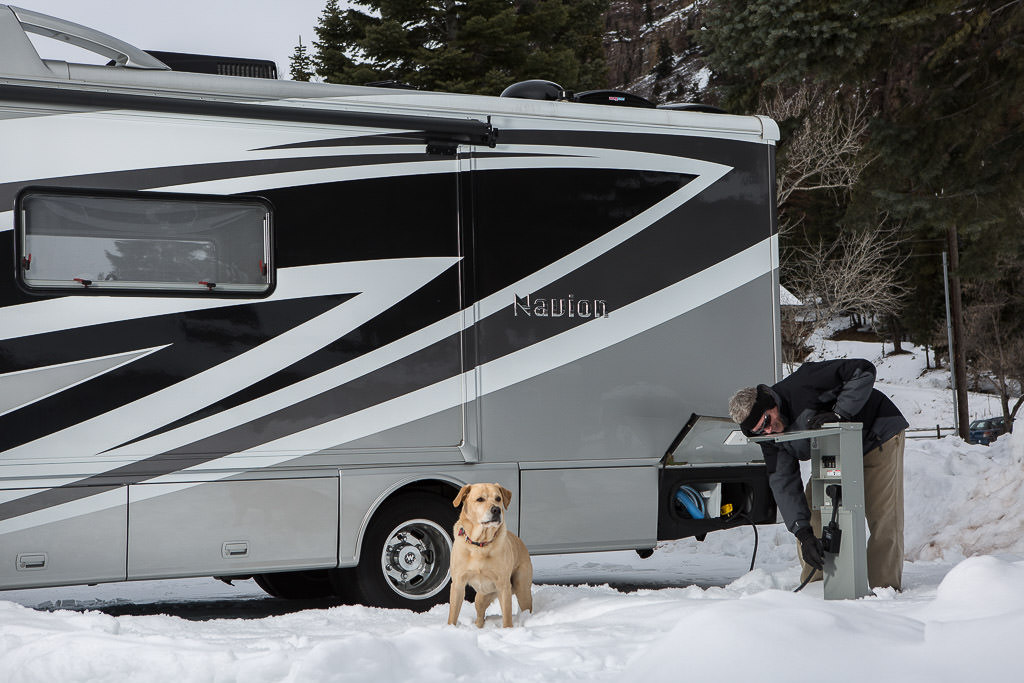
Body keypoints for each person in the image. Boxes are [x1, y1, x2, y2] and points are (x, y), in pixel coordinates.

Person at [728, 359, 908, 590]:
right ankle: (816, 584)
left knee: (883, 514)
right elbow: (783, 482)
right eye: (760, 431)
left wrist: (839, 413)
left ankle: (884, 588)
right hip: (833, 451)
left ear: (770, 403)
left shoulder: (804, 384)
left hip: (875, 436)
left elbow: (863, 371)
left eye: (767, 421)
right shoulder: (770, 436)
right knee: (815, 514)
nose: (769, 430)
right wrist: (803, 534)